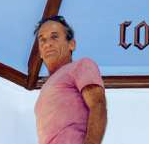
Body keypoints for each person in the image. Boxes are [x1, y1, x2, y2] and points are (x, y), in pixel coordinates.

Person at [34, 15, 107, 144]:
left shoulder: (81, 65)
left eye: (54, 37)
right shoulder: (46, 88)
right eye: (42, 40)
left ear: (71, 44)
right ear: (40, 52)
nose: (48, 44)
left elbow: (98, 105)